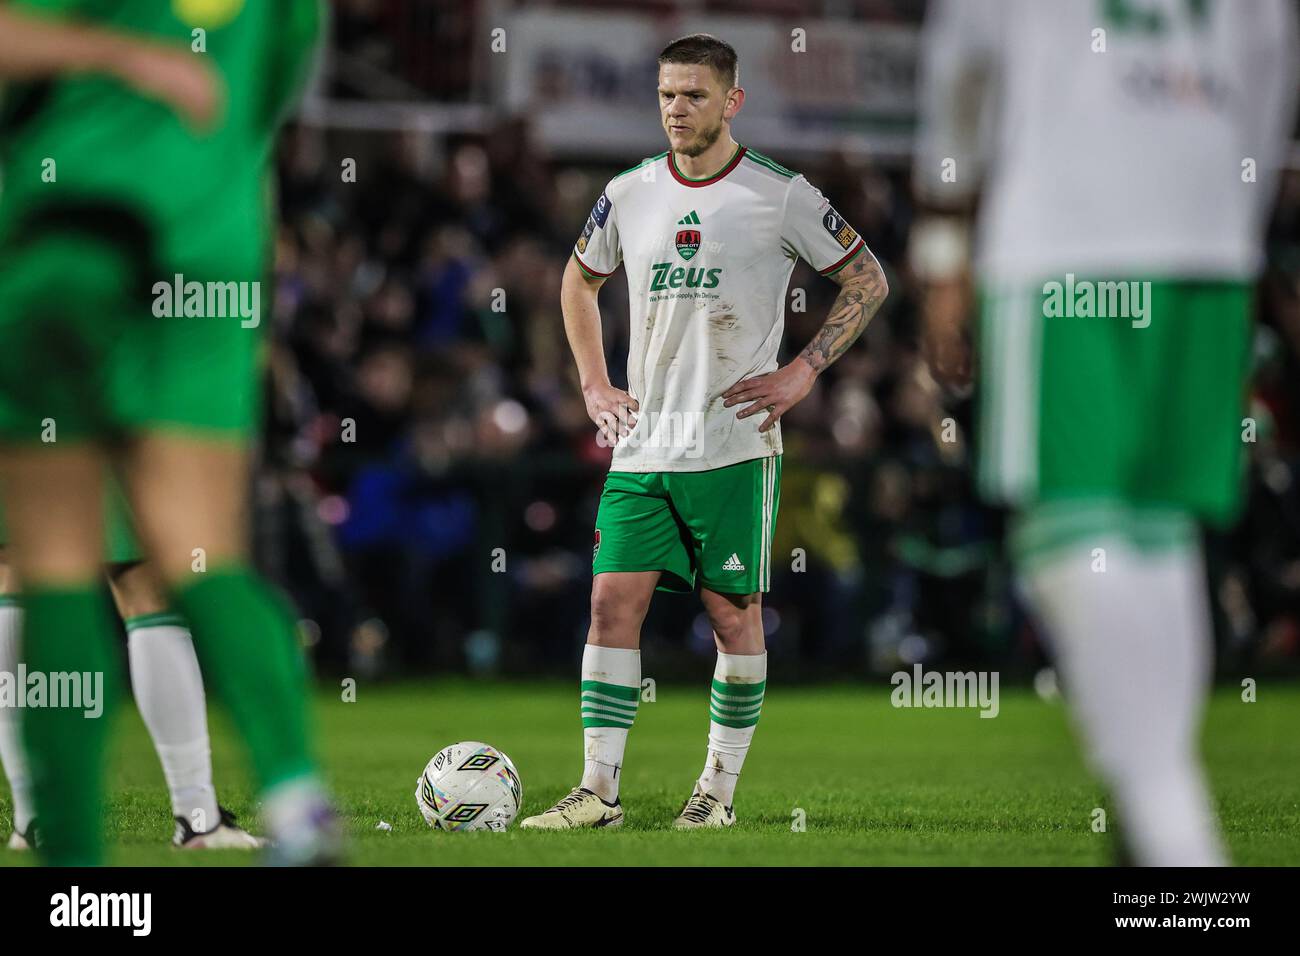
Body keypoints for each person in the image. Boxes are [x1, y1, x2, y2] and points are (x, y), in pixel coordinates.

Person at [911, 0, 1299, 865]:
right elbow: (1274, 75)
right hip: (1209, 239)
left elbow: (962, 62)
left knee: (1066, 532)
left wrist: (943, 236)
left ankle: (1175, 840)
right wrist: (1232, 218)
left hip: (1068, 228)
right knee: (1157, 534)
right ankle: (1155, 823)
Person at [0, 0, 338, 865]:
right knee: (189, 559)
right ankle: (284, 797)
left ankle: (59, 848)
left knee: (43, 565)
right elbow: (269, 92)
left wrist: (110, 57)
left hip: (65, 227)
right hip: (209, 244)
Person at [522, 34, 888, 830]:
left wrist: (806, 369)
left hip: (733, 444)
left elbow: (866, 276)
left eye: (693, 94)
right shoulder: (628, 192)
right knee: (610, 606)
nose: (676, 109)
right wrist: (592, 381)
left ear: (732, 101)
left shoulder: (778, 194)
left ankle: (715, 797)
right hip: (644, 444)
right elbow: (578, 280)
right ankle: (599, 793)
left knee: (732, 617)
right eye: (666, 95)